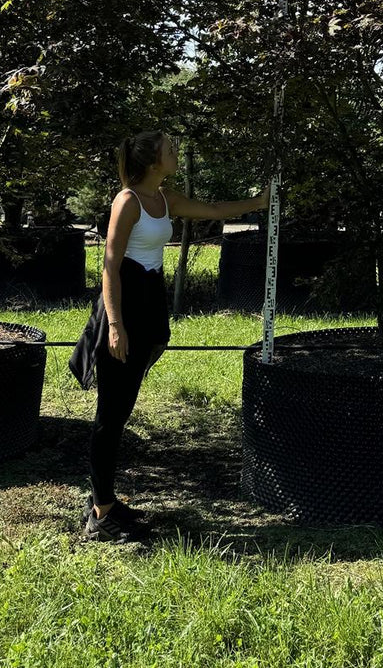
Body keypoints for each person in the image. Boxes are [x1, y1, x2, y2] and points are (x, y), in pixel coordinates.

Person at [69, 129, 269, 544]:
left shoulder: (164, 199)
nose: (176, 153)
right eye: (170, 150)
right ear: (153, 161)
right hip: (122, 310)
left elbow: (213, 208)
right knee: (111, 415)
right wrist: (116, 326)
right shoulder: (128, 202)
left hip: (148, 306)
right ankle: (100, 512)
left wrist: (260, 202)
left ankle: (105, 501)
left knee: (122, 408)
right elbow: (109, 267)